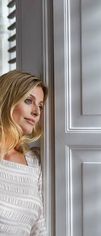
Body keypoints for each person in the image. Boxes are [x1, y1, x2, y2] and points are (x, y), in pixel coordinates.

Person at [0, 70, 48, 235]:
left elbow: (39, 228)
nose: (36, 112)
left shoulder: (35, 162)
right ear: (7, 100)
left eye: (40, 106)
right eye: (29, 101)